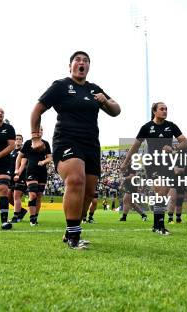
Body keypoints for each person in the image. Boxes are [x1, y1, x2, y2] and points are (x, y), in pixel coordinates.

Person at [30, 51, 120, 249]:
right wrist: (36, 137)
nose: (82, 63)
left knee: (89, 192)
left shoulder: (94, 89)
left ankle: (71, 231)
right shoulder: (61, 85)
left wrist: (104, 100)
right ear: (70, 66)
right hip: (67, 140)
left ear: (89, 67)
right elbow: (37, 109)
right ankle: (73, 238)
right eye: (78, 60)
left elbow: (116, 110)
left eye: (86, 61)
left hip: (91, 144)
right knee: (76, 180)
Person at [121, 102, 187, 235]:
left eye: (166, 109)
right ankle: (160, 226)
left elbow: (184, 142)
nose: (165, 111)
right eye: (162, 109)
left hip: (167, 163)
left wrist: (173, 148)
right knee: (161, 191)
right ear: (154, 111)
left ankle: (156, 225)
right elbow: (135, 146)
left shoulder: (171, 126)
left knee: (163, 192)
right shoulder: (146, 127)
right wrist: (126, 162)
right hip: (152, 163)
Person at [16, 128, 52, 226]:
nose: (39, 132)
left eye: (41, 130)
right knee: (33, 195)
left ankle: (35, 218)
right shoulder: (28, 143)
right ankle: (32, 219)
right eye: (37, 130)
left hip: (42, 172)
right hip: (31, 171)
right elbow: (19, 156)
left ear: (42, 132)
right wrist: (17, 169)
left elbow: (50, 157)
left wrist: (43, 162)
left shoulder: (46, 143)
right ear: (34, 132)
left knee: (39, 196)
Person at [9, 134, 28, 223]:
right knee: (9, 196)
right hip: (11, 178)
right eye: (16, 139)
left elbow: (23, 164)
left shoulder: (23, 151)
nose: (18, 140)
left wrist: (18, 174)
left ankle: (16, 216)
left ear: (22, 141)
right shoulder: (12, 151)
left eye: (20, 139)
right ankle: (22, 211)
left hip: (21, 176)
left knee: (16, 196)